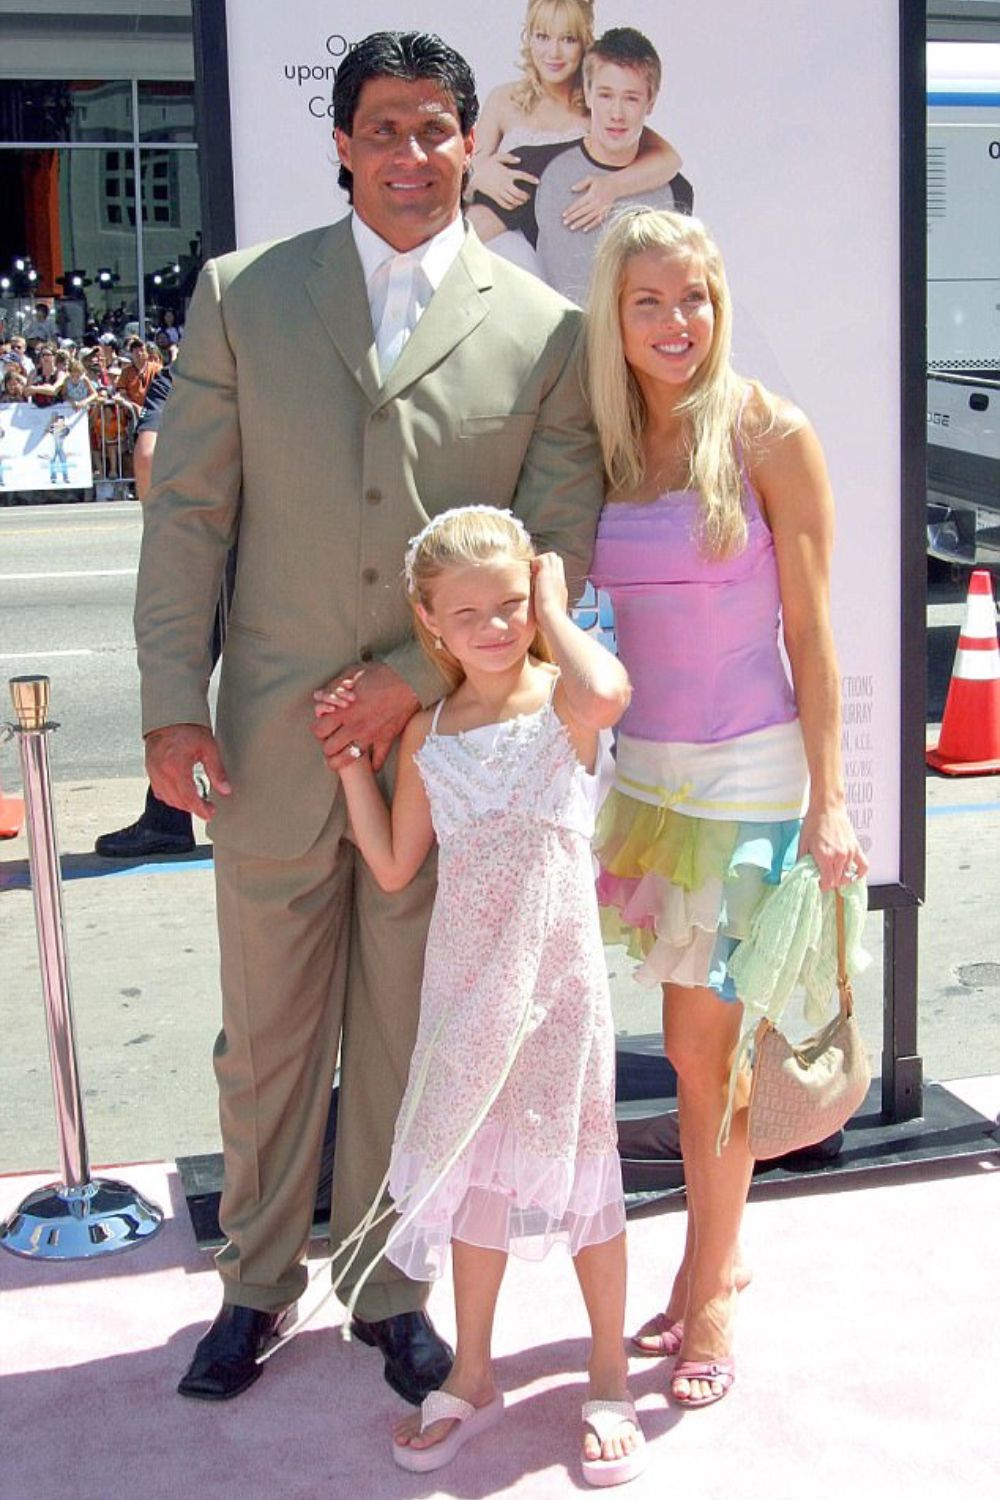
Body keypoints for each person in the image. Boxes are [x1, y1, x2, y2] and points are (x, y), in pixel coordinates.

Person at [133, 30, 604, 1407]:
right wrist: (173, 705)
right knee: (267, 1026)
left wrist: (415, 668)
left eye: (437, 128)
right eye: (385, 128)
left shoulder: (542, 330)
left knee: (414, 1021)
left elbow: (555, 532)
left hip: (451, 745)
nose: (412, 154)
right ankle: (256, 1280)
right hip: (275, 736)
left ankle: (389, 1287)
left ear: (472, 145)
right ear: (340, 143)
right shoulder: (244, 297)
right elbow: (192, 518)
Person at [586, 209, 867, 1407]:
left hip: (748, 775)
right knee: (690, 1044)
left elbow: (809, 629)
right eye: (649, 302)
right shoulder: (600, 439)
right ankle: (719, 1255)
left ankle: (706, 1298)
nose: (675, 324)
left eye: (693, 297)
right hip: (643, 784)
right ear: (614, 313)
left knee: (708, 1052)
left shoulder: (767, 431)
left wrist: (833, 801)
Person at [324, 506, 641, 1484]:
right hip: (464, 986)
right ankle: (471, 1370)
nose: (496, 628)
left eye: (508, 606)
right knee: (474, 1175)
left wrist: (552, 605)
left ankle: (608, 1370)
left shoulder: (561, 702)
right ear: (430, 623)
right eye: (471, 615)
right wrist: (349, 774)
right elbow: (389, 866)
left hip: (556, 988)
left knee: (586, 1177)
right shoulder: (429, 731)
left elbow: (610, 689)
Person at [478, 28, 693, 306]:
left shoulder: (676, 191)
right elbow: (458, 249)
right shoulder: (534, 167)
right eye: (605, 95)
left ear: (650, 103)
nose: (616, 113)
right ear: (588, 94)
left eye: (631, 98)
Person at [95, 365, 200, 857]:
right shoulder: (274, 358)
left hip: (201, 552)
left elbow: (149, 458)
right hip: (272, 551)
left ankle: (167, 814)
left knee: (176, 682)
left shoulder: (183, 376)